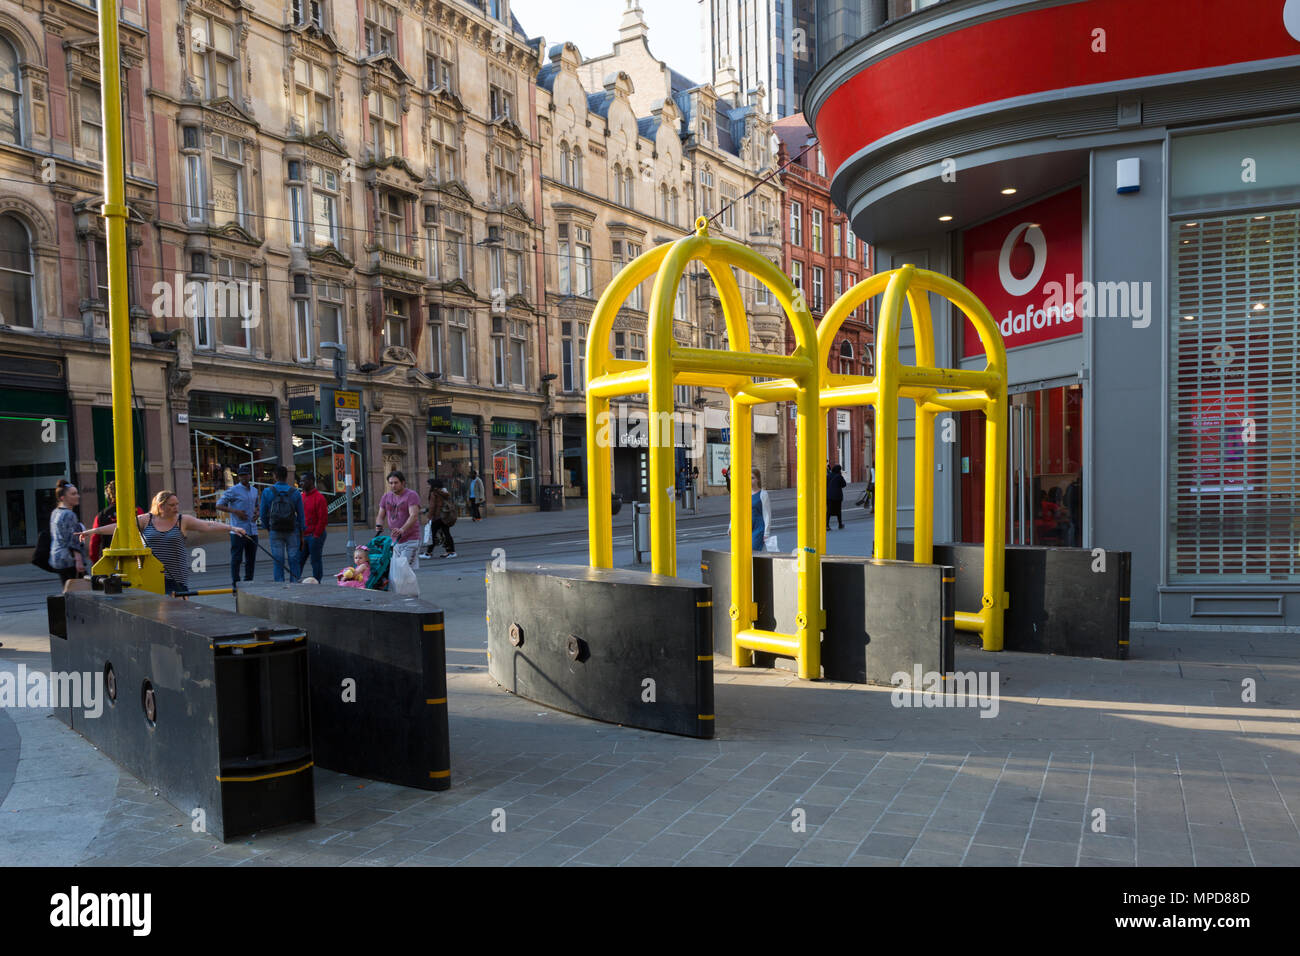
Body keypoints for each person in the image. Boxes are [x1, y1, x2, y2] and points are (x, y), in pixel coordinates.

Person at [81, 490, 248, 595]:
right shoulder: (146, 520)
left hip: (176, 577)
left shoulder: (182, 520)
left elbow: (208, 525)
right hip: (150, 576)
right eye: (172, 505)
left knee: (178, 615)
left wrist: (232, 528)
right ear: (160, 506)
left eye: (177, 504)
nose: (176, 508)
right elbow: (121, 527)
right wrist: (92, 531)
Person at [215, 464, 259, 586]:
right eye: (241, 475)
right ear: (238, 477)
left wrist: (257, 513)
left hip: (252, 530)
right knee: (237, 559)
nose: (244, 477)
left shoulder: (255, 490)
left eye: (246, 475)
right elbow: (218, 505)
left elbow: (256, 505)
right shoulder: (233, 490)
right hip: (238, 530)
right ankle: (236, 584)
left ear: (250, 475)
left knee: (251, 560)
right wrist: (235, 511)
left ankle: (249, 583)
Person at [260, 465, 305, 582]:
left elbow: (262, 513)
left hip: (275, 530)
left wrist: (268, 527)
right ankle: (295, 582)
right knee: (293, 558)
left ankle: (279, 585)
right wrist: (302, 531)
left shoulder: (267, 492)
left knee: (278, 559)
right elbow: (301, 515)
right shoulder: (295, 492)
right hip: (292, 530)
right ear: (287, 476)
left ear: (275, 476)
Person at [88, 479, 144, 565]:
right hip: (134, 559)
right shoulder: (137, 511)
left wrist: (95, 561)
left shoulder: (101, 515)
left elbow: (94, 541)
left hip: (109, 560)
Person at [376, 470, 422, 570]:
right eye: (391, 483)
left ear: (403, 482)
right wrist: (379, 525)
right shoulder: (386, 496)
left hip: (411, 539)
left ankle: (407, 586)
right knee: (396, 570)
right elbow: (380, 515)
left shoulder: (411, 495)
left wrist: (402, 529)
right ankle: (404, 585)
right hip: (395, 541)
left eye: (396, 483)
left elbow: (413, 515)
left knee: (404, 570)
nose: (393, 485)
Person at [49, 479, 86, 584]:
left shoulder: (55, 512)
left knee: (68, 588)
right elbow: (74, 540)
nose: (77, 496)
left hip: (57, 558)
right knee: (79, 590)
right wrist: (79, 561)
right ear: (62, 498)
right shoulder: (70, 515)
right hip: (69, 560)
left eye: (77, 493)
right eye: (73, 494)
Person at [298, 471, 328, 581]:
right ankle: (295, 581)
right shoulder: (301, 496)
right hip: (303, 535)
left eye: (303, 481)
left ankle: (317, 581)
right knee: (299, 560)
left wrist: (316, 535)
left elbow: (323, 519)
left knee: (315, 560)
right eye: (300, 481)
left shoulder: (319, 498)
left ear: (310, 481)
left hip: (314, 535)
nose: (300, 483)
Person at [427, 478, 458, 559]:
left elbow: (432, 506)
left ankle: (428, 553)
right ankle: (451, 552)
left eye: (429, 484)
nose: (428, 486)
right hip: (444, 516)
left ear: (433, 485)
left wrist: (429, 516)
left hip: (437, 517)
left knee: (432, 534)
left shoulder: (434, 493)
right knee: (446, 533)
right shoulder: (443, 492)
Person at [751, 468, 772, 551]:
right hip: (746, 527)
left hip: (758, 528)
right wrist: (731, 526)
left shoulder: (763, 494)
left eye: (752, 478)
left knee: (753, 550)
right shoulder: (744, 493)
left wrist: (766, 533)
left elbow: (767, 514)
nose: (750, 480)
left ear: (758, 480)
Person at [826, 463, 847, 530]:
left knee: (828, 511)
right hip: (837, 496)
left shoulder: (828, 476)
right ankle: (840, 524)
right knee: (838, 510)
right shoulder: (839, 476)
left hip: (829, 496)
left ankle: (827, 525)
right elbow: (844, 485)